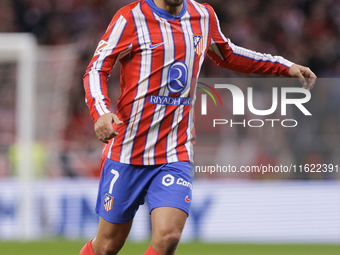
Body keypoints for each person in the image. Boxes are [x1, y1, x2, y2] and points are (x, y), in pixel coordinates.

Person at [80, 0, 316, 254]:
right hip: (127, 151)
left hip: (175, 151)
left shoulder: (203, 15)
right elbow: (96, 69)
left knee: (168, 237)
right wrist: (101, 113)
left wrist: (284, 66)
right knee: (107, 246)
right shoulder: (130, 18)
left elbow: (229, 54)